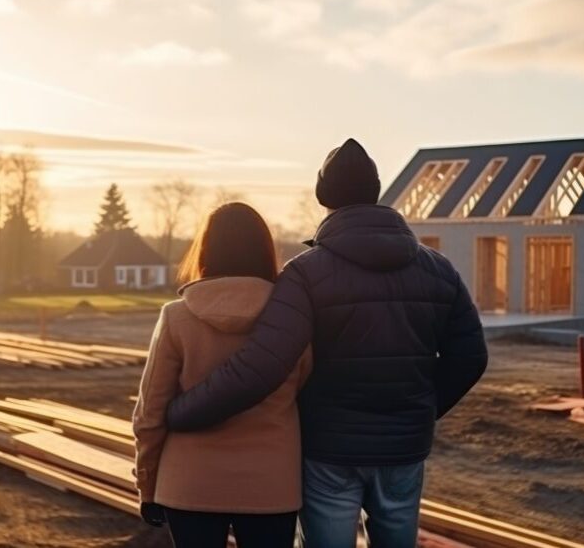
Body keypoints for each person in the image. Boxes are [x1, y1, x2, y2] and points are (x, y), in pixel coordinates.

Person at [166, 139, 489, 548]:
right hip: (404, 448)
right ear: (376, 192)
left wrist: (180, 412)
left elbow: (260, 367)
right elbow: (471, 356)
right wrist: (420, 408)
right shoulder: (438, 270)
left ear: (324, 198)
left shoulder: (305, 274)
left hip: (329, 450)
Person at [132, 202, 311, 548]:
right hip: (271, 484)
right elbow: (305, 391)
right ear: (264, 250)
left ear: (206, 250)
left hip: (189, 483)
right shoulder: (292, 320)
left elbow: (149, 414)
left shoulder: (176, 318)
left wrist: (148, 484)